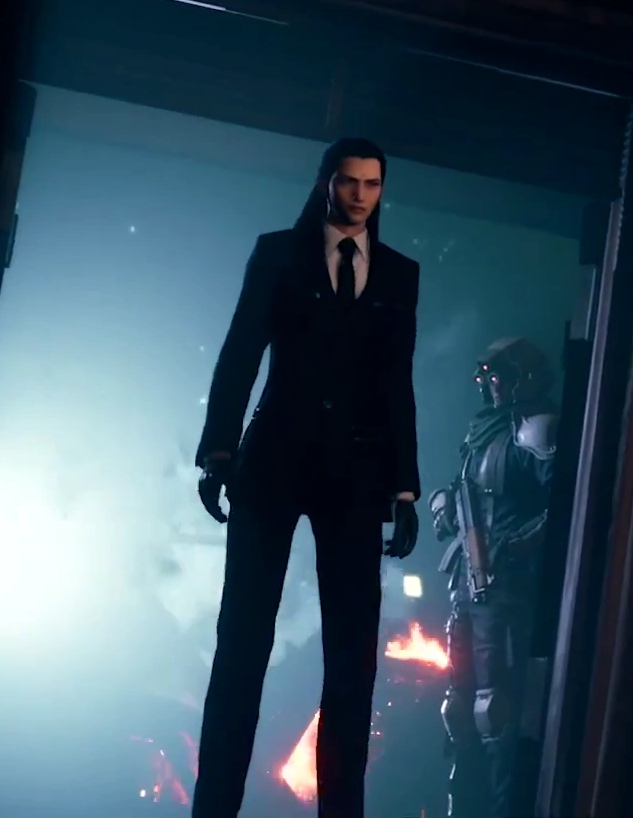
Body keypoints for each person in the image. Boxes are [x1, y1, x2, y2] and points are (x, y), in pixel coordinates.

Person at [190, 137, 423, 818]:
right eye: (349, 182)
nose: (360, 195)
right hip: (273, 461)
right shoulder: (278, 254)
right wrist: (218, 452)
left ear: (381, 190)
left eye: (372, 184)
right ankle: (214, 807)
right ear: (326, 183)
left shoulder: (398, 273)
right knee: (242, 643)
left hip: (354, 473)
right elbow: (240, 350)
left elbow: (396, 381)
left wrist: (404, 486)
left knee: (352, 658)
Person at [429, 337, 559, 818]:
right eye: (486, 377)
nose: (491, 385)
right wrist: (444, 504)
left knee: (496, 713)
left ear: (524, 377)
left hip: (506, 592)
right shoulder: (484, 433)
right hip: (468, 589)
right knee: (458, 710)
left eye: (498, 375)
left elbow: (565, 507)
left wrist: (518, 546)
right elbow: (460, 493)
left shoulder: (537, 430)